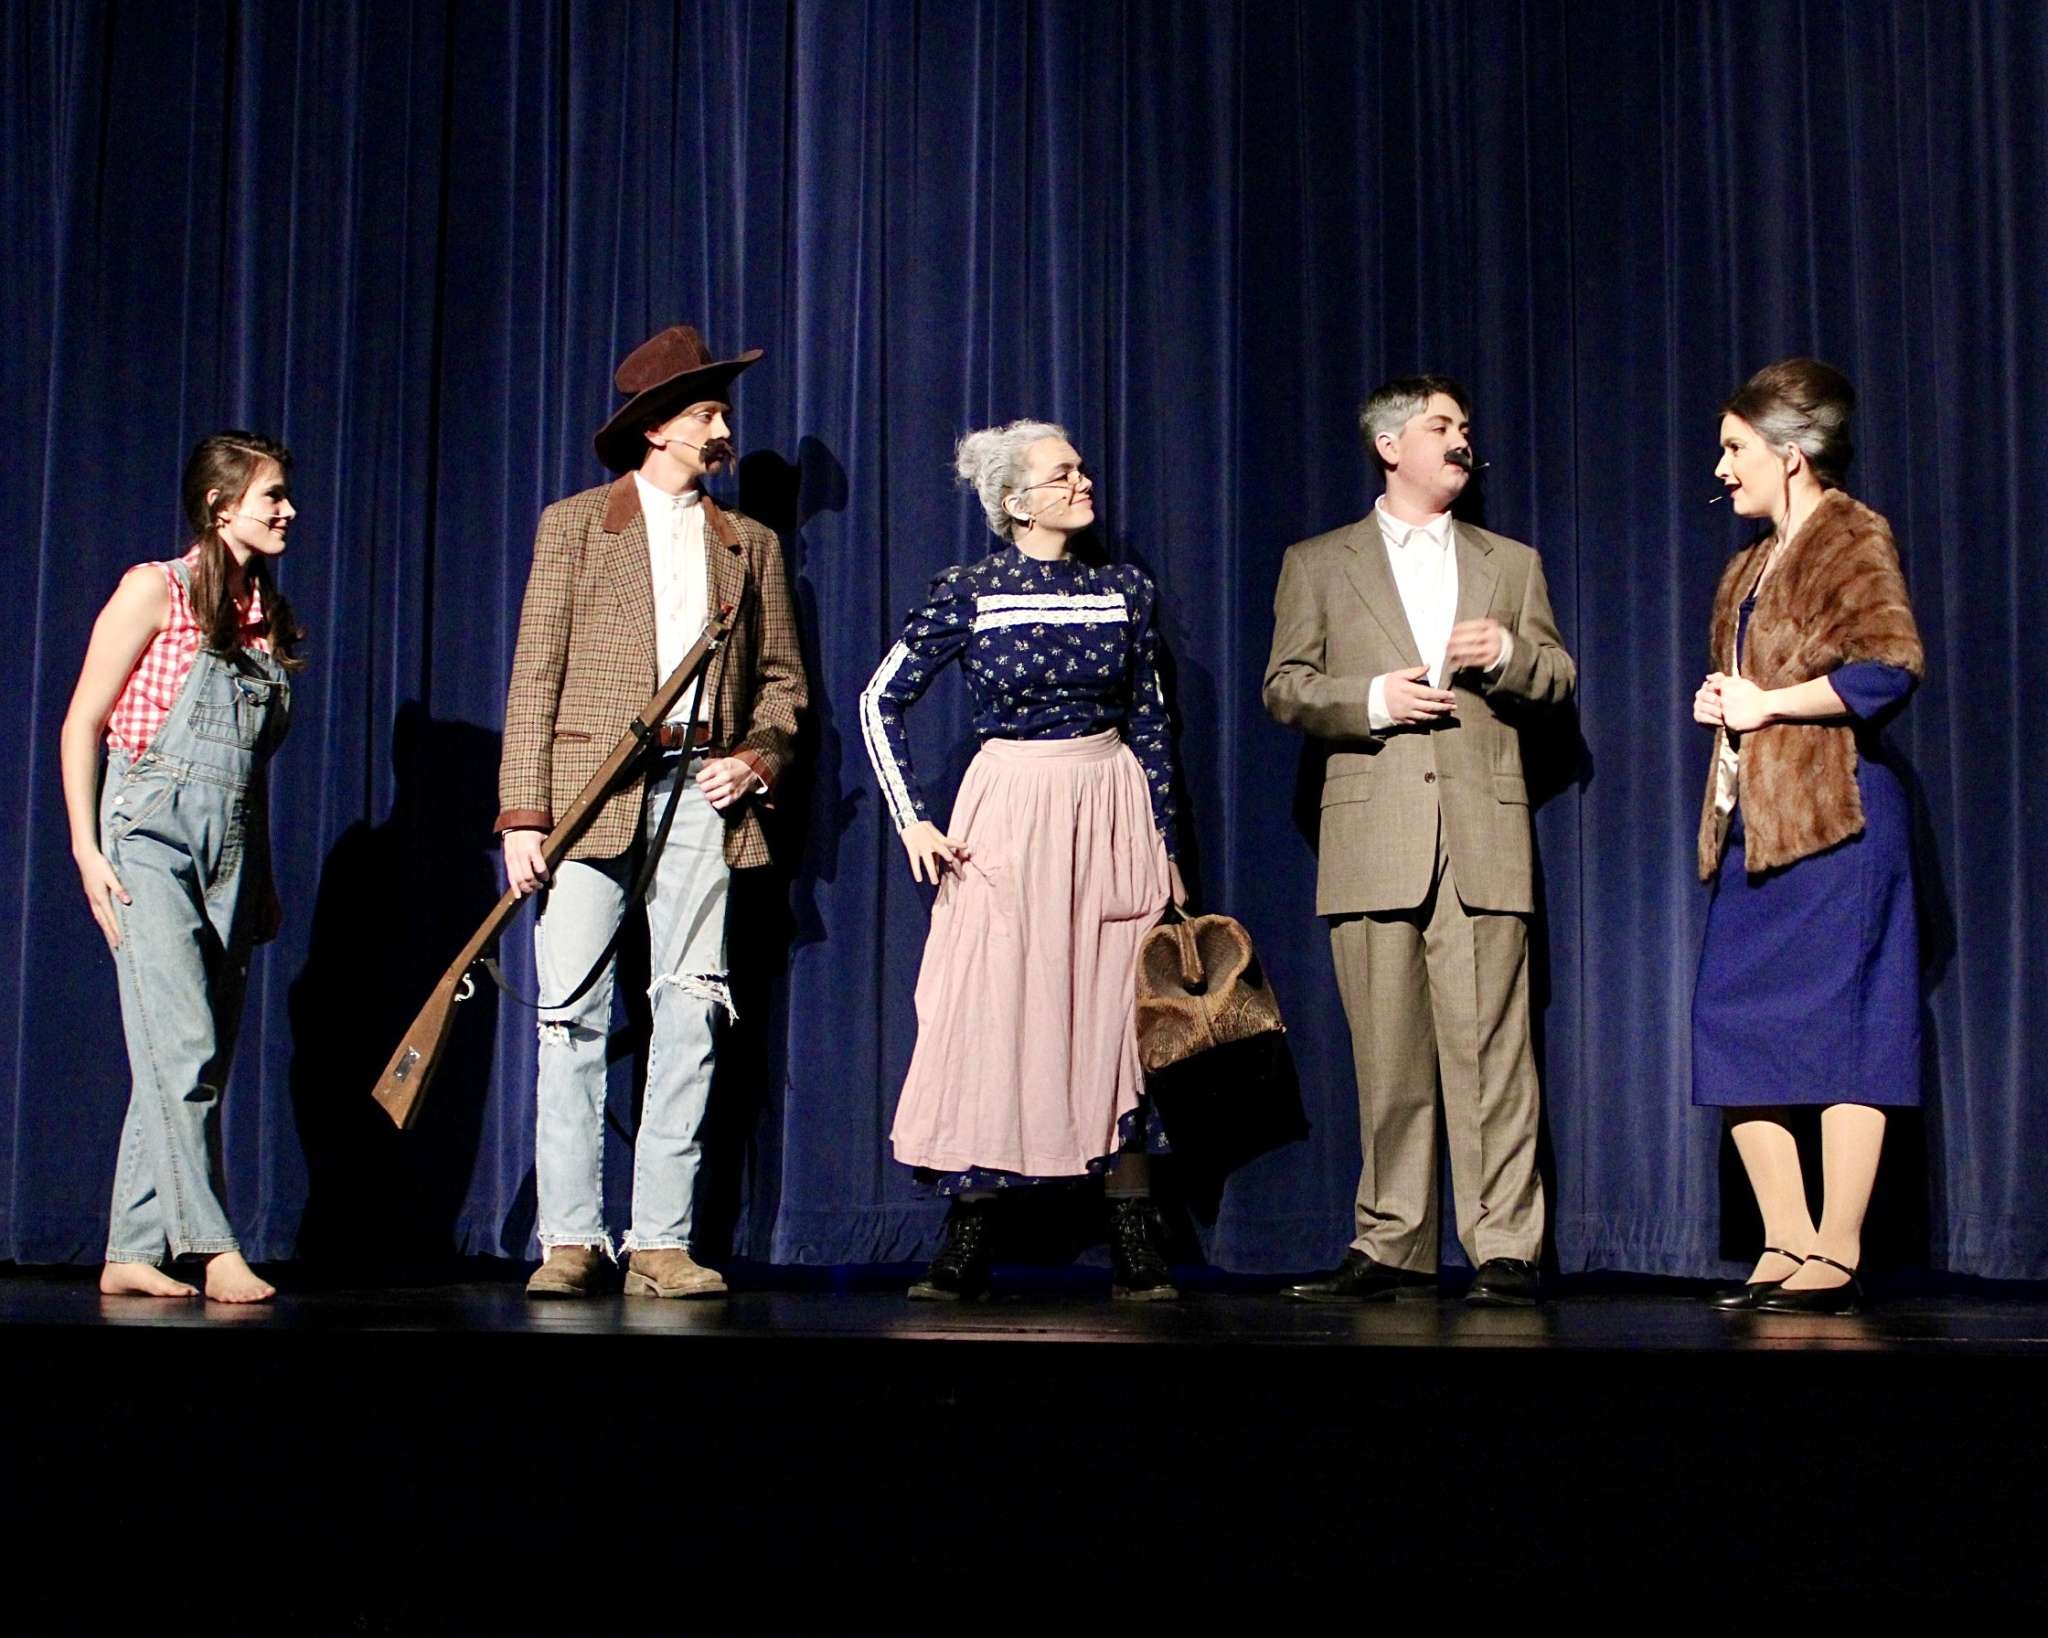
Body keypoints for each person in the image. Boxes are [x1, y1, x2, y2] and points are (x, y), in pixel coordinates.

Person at [500, 324, 806, 1299]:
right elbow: (535, 675)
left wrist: (756, 758)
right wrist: (521, 815)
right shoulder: (576, 525)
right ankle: (570, 1237)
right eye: (708, 411)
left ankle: (660, 1241)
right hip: (592, 796)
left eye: (718, 410)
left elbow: (783, 684)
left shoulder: (745, 544)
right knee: (570, 1016)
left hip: (699, 792)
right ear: (658, 428)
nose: (722, 427)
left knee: (689, 1012)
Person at [1264, 375, 1575, 1306]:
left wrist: (1511, 659)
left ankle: (1505, 1247)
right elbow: (1285, 685)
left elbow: (1558, 675)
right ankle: (1391, 1241)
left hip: (1482, 834)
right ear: (1390, 446)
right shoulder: (1319, 561)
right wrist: (1371, 702)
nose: (1461, 439)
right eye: (1442, 426)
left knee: (1495, 1055)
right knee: (1388, 1057)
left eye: (1466, 427)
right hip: (1372, 834)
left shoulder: (1508, 562)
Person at [860, 421, 1188, 1301]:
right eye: (1063, 473)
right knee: (989, 1009)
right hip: (1008, 812)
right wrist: (913, 822)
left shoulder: (1124, 590)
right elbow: (878, 699)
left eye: (1082, 467)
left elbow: (1152, 722)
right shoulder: (968, 591)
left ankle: (1133, 1239)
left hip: (1108, 802)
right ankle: (967, 1241)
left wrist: (1164, 845)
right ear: (1016, 502)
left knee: (1118, 1013)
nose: (1085, 482)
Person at [1691, 358, 1923, 1316]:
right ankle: (1784, 1239)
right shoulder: (1748, 565)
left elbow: (1888, 667)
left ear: (1790, 456)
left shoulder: (1850, 535)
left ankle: (1838, 1247)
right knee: (1731, 1024)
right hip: (1756, 827)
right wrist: (1726, 702)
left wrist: (1767, 701)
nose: (1721, 467)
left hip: (1840, 822)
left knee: (1845, 1031)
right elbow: (1752, 688)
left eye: (1736, 448)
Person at [59, 431, 304, 1303]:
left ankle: (129, 1247)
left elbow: (248, 771)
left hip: (232, 852)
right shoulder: (152, 591)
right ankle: (210, 1246)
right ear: (220, 505)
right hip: (148, 839)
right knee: (185, 1048)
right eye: (272, 496)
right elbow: (82, 722)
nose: (288, 511)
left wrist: (263, 873)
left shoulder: (262, 617)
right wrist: (89, 849)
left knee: (184, 1058)